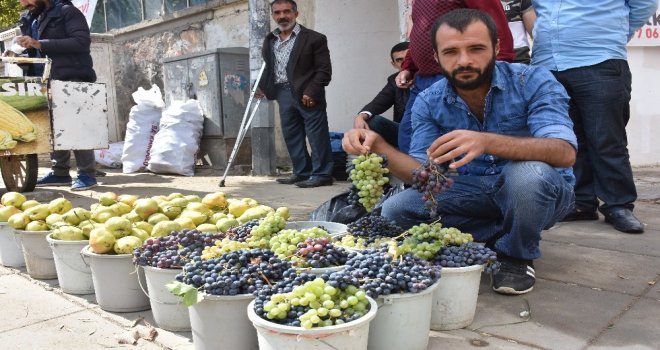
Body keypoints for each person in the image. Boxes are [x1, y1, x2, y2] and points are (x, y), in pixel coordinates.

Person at [343, 9, 576, 295]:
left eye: (476, 49)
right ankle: (500, 233)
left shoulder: (533, 81)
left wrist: (487, 142)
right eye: (451, 52)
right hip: (473, 190)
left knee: (528, 175)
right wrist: (379, 147)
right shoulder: (429, 100)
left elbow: (564, 152)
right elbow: (424, 176)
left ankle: (516, 255)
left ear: (497, 47)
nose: (464, 61)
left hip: (542, 192)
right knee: (397, 208)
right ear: (437, 57)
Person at [532, 1, 658, 233]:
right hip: (548, 65)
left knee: (607, 140)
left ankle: (618, 205)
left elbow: (646, 3)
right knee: (567, 140)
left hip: (598, 58)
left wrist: (613, 35)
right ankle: (580, 202)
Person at [395, 0, 515, 154]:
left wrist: (497, 71)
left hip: (460, 77)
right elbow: (419, 32)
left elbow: (495, 27)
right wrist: (408, 67)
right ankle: (420, 177)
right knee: (409, 139)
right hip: (423, 79)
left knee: (462, 143)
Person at [15, 0, 98, 191]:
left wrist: (39, 43)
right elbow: (35, 52)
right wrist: (20, 55)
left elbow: (81, 42)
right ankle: (60, 172)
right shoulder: (31, 19)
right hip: (43, 81)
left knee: (76, 126)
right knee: (53, 129)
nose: (23, 3)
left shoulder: (67, 12)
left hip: (71, 77)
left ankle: (87, 173)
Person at [256, 0, 334, 188]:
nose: (282, 16)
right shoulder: (270, 40)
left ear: (296, 14)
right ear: (273, 15)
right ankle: (302, 172)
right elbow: (269, 68)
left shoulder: (315, 38)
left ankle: (322, 175)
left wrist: (312, 91)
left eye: (286, 12)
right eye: (277, 13)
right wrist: (261, 86)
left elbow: (324, 70)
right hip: (282, 92)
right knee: (292, 134)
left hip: (307, 93)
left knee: (317, 135)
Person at [352, 42, 410, 148]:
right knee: (371, 121)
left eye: (408, 58)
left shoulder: (429, 77)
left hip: (429, 132)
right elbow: (379, 103)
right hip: (403, 132)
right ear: (394, 64)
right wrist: (360, 116)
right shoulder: (394, 80)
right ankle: (372, 161)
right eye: (399, 60)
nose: (405, 62)